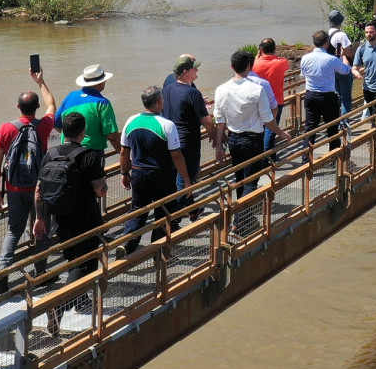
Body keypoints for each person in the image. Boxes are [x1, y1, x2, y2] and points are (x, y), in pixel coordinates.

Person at [0, 67, 56, 294]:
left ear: (18, 107)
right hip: (39, 187)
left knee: (13, 231)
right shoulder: (44, 126)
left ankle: (2, 274)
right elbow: (52, 106)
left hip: (13, 188)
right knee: (41, 229)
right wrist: (41, 81)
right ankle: (41, 273)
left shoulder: (6, 128)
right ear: (36, 108)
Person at [32, 111, 108, 286]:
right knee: (86, 263)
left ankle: (81, 301)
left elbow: (38, 191)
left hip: (61, 219)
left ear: (64, 132)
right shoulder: (88, 156)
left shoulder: (50, 154)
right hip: (86, 219)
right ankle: (62, 302)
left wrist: (40, 218)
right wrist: (103, 183)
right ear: (83, 133)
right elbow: (100, 191)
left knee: (72, 258)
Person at [119, 86, 189, 255]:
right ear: (159, 102)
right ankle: (159, 251)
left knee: (138, 209)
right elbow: (177, 156)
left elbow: (123, 152)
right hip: (161, 175)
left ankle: (127, 245)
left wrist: (124, 173)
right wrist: (186, 179)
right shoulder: (167, 124)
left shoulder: (131, 121)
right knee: (164, 211)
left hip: (138, 173)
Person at [213, 51, 289, 198]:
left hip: (233, 139)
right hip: (253, 140)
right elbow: (267, 119)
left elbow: (219, 121)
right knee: (251, 181)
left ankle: (243, 212)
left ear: (231, 66)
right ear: (249, 66)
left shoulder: (221, 89)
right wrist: (281, 133)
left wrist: (218, 147)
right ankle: (242, 218)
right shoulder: (256, 89)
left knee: (239, 178)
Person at [161, 56, 212, 202]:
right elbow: (206, 120)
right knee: (186, 179)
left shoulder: (166, 90)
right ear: (185, 72)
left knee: (180, 177)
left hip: (169, 140)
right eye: (194, 68)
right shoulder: (193, 93)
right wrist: (216, 137)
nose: (197, 70)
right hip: (188, 143)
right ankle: (175, 218)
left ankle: (192, 212)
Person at [300, 29, 353, 155]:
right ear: (326, 43)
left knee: (310, 129)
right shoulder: (331, 59)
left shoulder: (305, 58)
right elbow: (346, 70)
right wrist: (344, 57)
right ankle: (334, 157)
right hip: (327, 97)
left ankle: (306, 160)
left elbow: (303, 75)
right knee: (332, 128)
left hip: (310, 95)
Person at [56, 65, 122, 159]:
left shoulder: (69, 97)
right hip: (91, 154)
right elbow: (112, 136)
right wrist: (124, 155)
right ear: (100, 84)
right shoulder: (102, 103)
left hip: (66, 153)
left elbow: (56, 123)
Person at [251, 39, 291, 153]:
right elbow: (285, 64)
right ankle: (268, 156)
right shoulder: (282, 62)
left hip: (258, 100)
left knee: (260, 129)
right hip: (276, 100)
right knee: (271, 129)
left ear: (261, 49)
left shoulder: (254, 64)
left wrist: (257, 57)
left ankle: (260, 154)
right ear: (274, 49)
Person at [327, 11, 356, 118]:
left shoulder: (327, 34)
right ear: (340, 22)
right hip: (343, 68)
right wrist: (356, 46)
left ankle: (334, 119)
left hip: (332, 69)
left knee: (337, 95)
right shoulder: (341, 35)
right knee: (346, 97)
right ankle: (344, 123)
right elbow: (349, 53)